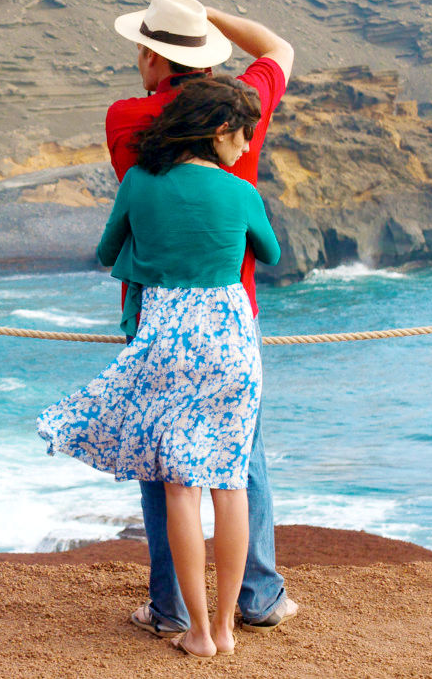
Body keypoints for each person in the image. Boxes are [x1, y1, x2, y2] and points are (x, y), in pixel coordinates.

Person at [38, 77, 281, 657]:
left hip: (167, 340)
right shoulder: (238, 189)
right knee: (231, 487)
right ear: (221, 131)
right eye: (244, 136)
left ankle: (195, 631)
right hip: (231, 342)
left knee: (180, 489)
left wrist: (149, 258)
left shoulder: (141, 183)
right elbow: (269, 252)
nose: (247, 148)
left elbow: (106, 253)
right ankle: (227, 628)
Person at [104, 0, 299, 638]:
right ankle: (258, 597)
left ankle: (172, 608)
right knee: (241, 456)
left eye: (142, 51)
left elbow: (115, 238)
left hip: (154, 311)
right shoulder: (243, 107)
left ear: (154, 55)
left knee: (164, 461)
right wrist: (208, 17)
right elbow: (279, 50)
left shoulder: (127, 118)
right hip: (231, 312)